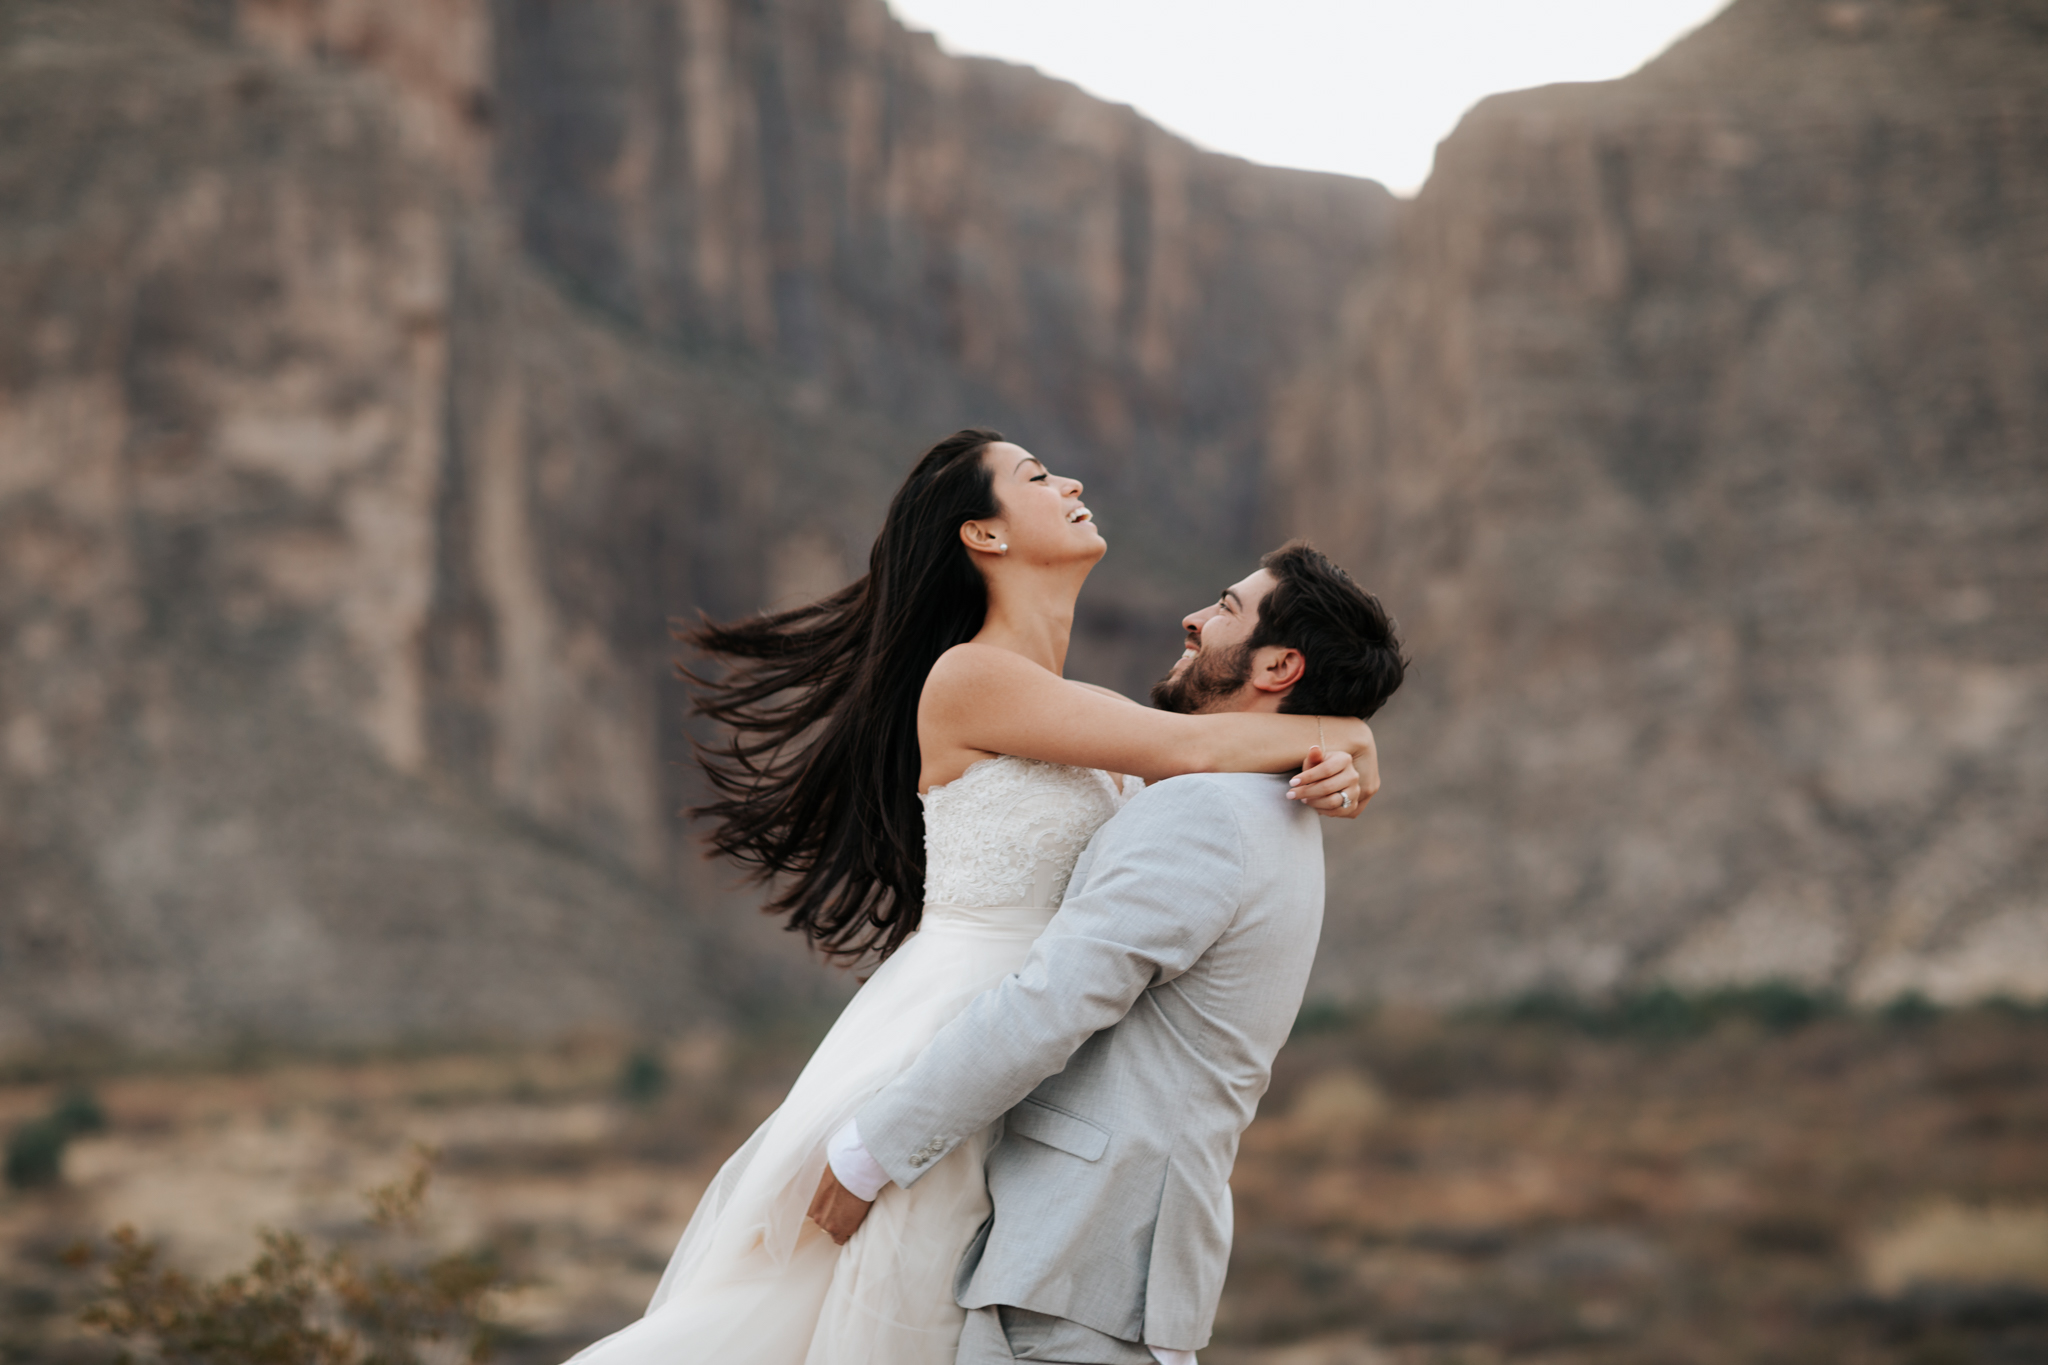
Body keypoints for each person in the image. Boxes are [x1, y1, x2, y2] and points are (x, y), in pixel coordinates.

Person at [565, 429, 1379, 1365]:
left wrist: (1341, 750)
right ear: (983, 536)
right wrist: (1347, 734)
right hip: (955, 1039)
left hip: (1016, 1066)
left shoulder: (1081, 713)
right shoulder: (972, 677)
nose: (1072, 479)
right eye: (1036, 476)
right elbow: (1193, 749)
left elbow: (1189, 769)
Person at [809, 540, 1406, 1365]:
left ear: (1278, 666)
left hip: (1074, 1271)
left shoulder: (1202, 812)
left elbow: (1052, 1000)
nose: (1194, 619)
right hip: (1115, 1276)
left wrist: (872, 1151)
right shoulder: (1277, 813)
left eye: (1226, 608)